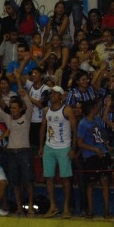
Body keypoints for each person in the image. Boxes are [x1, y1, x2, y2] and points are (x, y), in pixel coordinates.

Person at [0, 74, 35, 216]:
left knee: (28, 181)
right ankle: (19, 208)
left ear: (20, 108)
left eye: (16, 107)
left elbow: (30, 106)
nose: (13, 110)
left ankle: (30, 207)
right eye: (12, 107)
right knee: (14, 182)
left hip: (24, 152)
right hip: (11, 153)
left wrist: (25, 96)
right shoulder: (8, 118)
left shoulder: (26, 118)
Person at [39, 85, 76, 218]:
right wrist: (41, 146)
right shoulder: (46, 110)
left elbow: (74, 130)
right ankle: (53, 206)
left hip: (64, 147)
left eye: (55, 94)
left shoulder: (67, 110)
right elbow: (43, 127)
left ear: (61, 96)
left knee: (65, 178)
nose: (52, 95)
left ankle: (66, 207)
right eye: (51, 94)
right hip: (49, 146)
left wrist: (73, 148)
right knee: (49, 177)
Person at [77, 98, 110, 218]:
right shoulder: (82, 124)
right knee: (90, 183)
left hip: (102, 153)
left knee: (105, 181)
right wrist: (95, 149)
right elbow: (80, 143)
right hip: (90, 156)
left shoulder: (97, 120)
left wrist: (106, 146)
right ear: (92, 109)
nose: (97, 108)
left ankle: (106, 210)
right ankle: (90, 210)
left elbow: (101, 135)